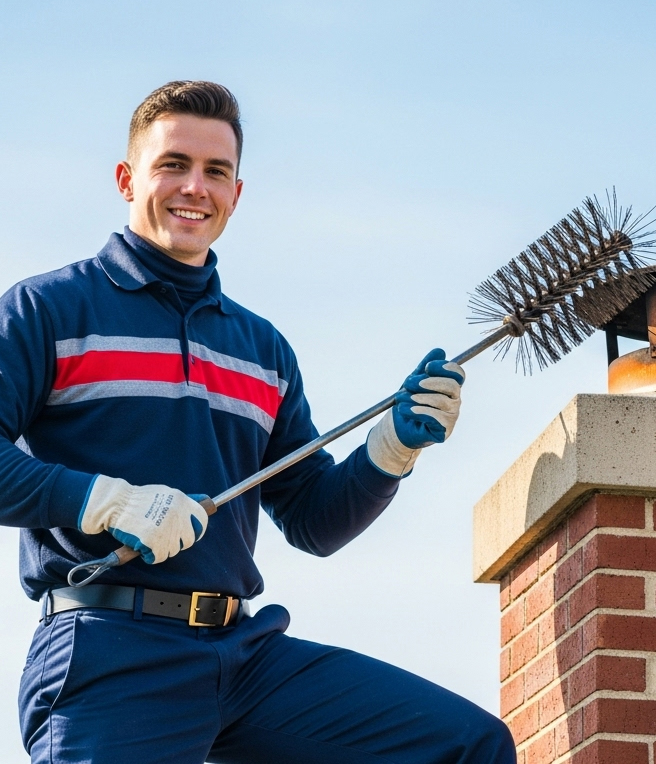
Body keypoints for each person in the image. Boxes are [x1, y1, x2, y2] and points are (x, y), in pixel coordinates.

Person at [1, 81, 516, 763]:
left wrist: (390, 449)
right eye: (172, 165)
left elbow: (314, 520)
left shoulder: (263, 349)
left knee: (466, 746)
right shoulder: (47, 309)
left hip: (245, 655)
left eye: (216, 171)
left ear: (236, 194)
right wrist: (106, 501)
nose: (195, 187)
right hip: (109, 651)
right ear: (128, 179)